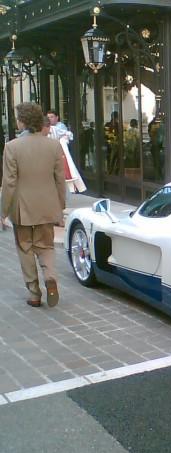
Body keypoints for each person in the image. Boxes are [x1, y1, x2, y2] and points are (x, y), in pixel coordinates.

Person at [1, 102, 66, 307]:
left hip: (22, 209)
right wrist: (60, 206)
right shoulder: (53, 145)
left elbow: (9, 183)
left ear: (23, 122)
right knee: (46, 246)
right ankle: (50, 276)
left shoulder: (12, 147)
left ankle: (34, 293)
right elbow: (60, 180)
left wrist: (2, 211)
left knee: (25, 249)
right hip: (47, 207)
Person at [45, 117, 86, 193]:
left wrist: (64, 140)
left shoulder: (55, 129)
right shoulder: (38, 134)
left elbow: (69, 134)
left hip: (57, 156)